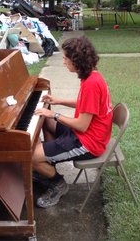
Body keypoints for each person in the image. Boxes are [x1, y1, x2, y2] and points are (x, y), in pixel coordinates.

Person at [33, 36, 113, 208]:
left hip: (88, 142)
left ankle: (57, 183)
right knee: (46, 121)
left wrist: (53, 114)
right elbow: (87, 105)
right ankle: (48, 162)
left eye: (65, 58)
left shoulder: (91, 83)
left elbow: (82, 125)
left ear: (76, 61)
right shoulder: (92, 76)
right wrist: (58, 101)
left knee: (30, 156)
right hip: (87, 134)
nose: (63, 62)